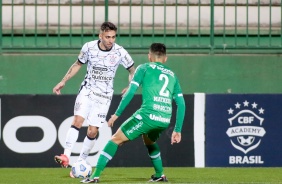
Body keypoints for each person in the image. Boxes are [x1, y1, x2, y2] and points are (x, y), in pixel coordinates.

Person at [81, 43, 186, 183]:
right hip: (164, 118)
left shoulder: (144, 68)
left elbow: (131, 92)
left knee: (115, 140)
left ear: (149, 56)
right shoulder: (173, 75)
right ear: (165, 58)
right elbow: (182, 104)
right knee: (149, 140)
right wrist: (177, 130)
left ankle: (94, 177)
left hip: (148, 115)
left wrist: (116, 114)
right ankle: (159, 174)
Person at [52, 22, 136, 172]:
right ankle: (66, 156)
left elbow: (132, 71)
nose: (111, 40)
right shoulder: (89, 47)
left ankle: (81, 162)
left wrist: (130, 86)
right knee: (77, 120)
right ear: (100, 36)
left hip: (104, 96)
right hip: (87, 90)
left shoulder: (120, 52)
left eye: (113, 37)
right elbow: (78, 64)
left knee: (92, 131)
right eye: (108, 37)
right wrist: (63, 81)